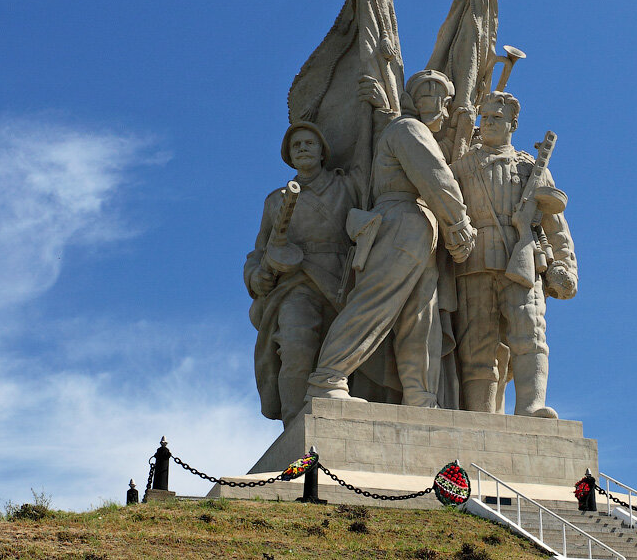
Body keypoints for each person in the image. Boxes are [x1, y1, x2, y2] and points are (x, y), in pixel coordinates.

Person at [306, 70, 476, 408]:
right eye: (428, 96)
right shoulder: (409, 129)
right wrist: (459, 224)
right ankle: (326, 378)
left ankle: (421, 397)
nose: (436, 103)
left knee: (420, 317)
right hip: (401, 221)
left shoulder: (404, 128)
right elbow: (436, 178)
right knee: (374, 302)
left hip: (418, 225)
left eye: (438, 95)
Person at [449, 91, 578, 418]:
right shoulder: (461, 168)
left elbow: (556, 227)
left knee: (530, 333)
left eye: (497, 118)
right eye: (486, 117)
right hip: (474, 261)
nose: (489, 123)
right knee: (478, 343)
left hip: (523, 257)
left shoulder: (530, 168)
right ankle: (480, 415)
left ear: (513, 124)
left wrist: (565, 266)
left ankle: (531, 407)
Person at [244, 122, 359, 426]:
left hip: (342, 281)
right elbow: (258, 252)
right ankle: (294, 426)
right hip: (296, 284)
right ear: (289, 157)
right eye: (296, 146)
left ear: (323, 152)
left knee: (348, 356)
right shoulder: (276, 201)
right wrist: (257, 277)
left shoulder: (346, 187)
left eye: (309, 143)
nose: (303, 149)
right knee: (295, 346)